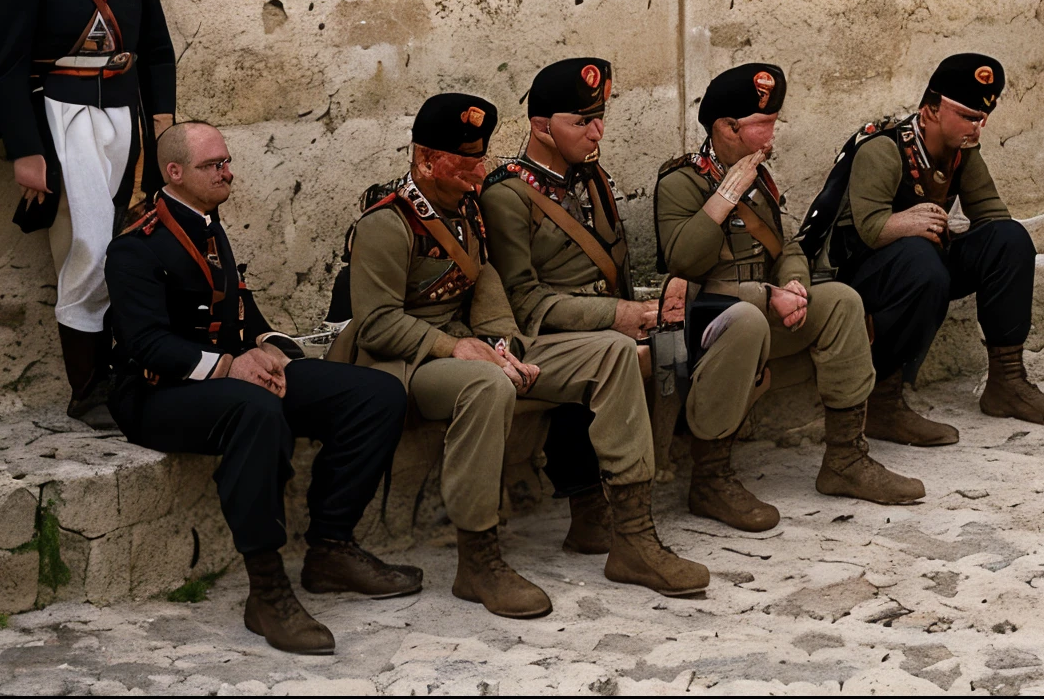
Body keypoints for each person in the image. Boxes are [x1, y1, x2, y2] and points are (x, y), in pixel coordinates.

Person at [342, 93, 700, 617]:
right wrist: (459, 348)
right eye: (464, 163)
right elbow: (375, 324)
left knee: (613, 353)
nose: (477, 174)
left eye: (481, 160)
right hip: (408, 362)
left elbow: (484, 280)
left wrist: (503, 344)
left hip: (472, 346)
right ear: (424, 159)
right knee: (488, 385)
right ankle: (478, 560)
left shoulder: (464, 207)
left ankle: (631, 537)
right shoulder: (387, 223)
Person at [104, 121, 418, 656]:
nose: (227, 172)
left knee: (377, 394)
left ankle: (330, 547)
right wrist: (230, 366)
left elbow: (241, 311)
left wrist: (272, 351)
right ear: (174, 173)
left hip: (230, 378)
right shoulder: (137, 246)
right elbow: (145, 344)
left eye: (227, 161)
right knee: (256, 410)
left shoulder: (205, 222)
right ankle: (267, 588)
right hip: (158, 396)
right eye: (213, 165)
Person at [655, 63, 922, 530]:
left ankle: (845, 459)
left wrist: (795, 282)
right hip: (712, 325)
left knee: (840, 300)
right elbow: (684, 263)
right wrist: (723, 198)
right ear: (727, 128)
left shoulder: (759, 175)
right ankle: (711, 479)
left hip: (765, 308)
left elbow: (788, 245)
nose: (771, 135)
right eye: (763, 124)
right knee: (748, 320)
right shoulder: (681, 183)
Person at [481, 58, 708, 596]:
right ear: (541, 126)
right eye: (581, 121)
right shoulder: (506, 195)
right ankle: (617, 523)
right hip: (542, 333)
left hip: (603, 325)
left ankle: (622, 505)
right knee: (617, 352)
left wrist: (651, 305)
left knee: (680, 342)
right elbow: (526, 301)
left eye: (599, 117)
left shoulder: (592, 177)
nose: (597, 131)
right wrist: (619, 317)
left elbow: (617, 268)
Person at [0, 0, 176, 427]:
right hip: (63, 118)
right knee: (88, 244)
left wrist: (163, 128)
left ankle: (128, 375)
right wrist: (26, 152)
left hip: (126, 115)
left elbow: (157, 53)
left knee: (125, 243)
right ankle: (86, 389)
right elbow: (5, 68)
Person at [826, 54, 1044, 445]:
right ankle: (881, 403)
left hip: (924, 264)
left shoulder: (963, 152)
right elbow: (868, 229)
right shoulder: (884, 148)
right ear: (930, 109)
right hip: (869, 272)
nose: (976, 128)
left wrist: (992, 251)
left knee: (1009, 240)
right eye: (967, 117)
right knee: (921, 260)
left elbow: (993, 216)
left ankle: (1007, 382)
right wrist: (906, 223)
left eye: (981, 119)